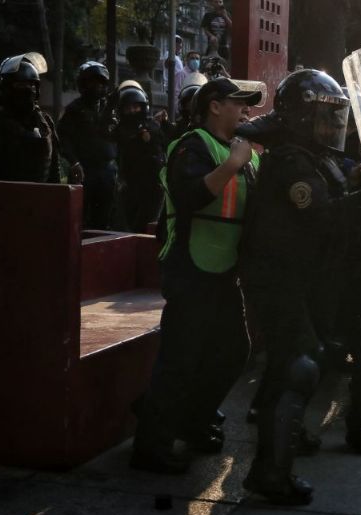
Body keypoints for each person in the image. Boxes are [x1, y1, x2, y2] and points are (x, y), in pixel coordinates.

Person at [234, 69, 361, 505]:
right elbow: (320, 217)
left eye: (335, 117)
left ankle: (280, 446)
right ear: (302, 116)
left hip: (299, 278)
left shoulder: (311, 157)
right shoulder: (291, 161)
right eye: (323, 117)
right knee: (300, 366)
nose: (331, 127)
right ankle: (271, 474)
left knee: (299, 362)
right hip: (278, 278)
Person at [130, 78, 261, 474]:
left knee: (234, 351)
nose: (246, 111)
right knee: (180, 358)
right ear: (215, 106)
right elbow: (188, 195)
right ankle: (151, 445)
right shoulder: (191, 145)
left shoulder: (247, 153)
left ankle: (194, 419)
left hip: (225, 270)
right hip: (190, 267)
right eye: (239, 103)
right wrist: (233, 164)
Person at [0, 52, 64, 184]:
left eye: (32, 85)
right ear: (7, 87)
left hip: (40, 200)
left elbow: (54, 170)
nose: (28, 90)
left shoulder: (45, 123)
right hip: (3, 199)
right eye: (21, 85)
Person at [58, 61, 118, 229]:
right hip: (84, 171)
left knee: (105, 220)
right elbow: (63, 138)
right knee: (79, 219)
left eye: (100, 82)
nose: (97, 87)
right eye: (92, 82)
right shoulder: (74, 110)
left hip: (107, 172)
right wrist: (74, 162)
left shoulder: (111, 109)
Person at [114, 81, 166, 233]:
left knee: (148, 226)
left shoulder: (152, 126)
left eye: (135, 106)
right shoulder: (120, 129)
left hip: (152, 185)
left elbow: (161, 146)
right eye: (128, 107)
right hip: (129, 185)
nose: (132, 111)